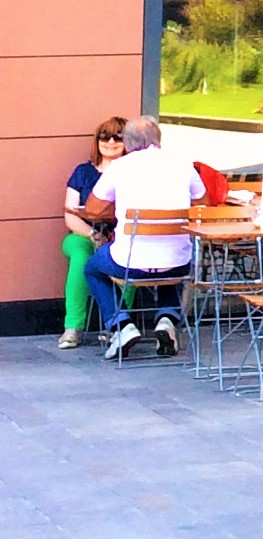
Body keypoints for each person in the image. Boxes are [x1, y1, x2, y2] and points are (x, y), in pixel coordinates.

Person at [82, 117, 206, 360]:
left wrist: (119, 208)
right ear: (158, 139)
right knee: (172, 263)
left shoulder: (120, 167)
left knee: (92, 268)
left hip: (129, 262)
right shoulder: (183, 164)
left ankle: (122, 325)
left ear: (127, 143)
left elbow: (93, 209)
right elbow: (203, 205)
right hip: (177, 262)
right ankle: (167, 320)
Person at [57, 117, 127, 349]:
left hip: (119, 235)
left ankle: (119, 325)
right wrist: (93, 235)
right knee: (81, 257)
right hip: (82, 235)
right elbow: (70, 214)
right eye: (105, 136)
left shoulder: (132, 173)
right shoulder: (83, 172)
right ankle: (73, 327)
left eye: (118, 137)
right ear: (97, 141)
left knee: (129, 255)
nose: (111, 142)